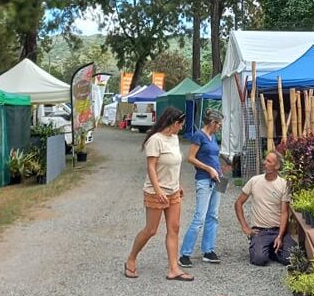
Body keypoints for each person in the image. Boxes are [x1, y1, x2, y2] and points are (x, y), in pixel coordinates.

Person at [125, 107, 194, 281]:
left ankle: (173, 268)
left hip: (173, 191)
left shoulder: (175, 139)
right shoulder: (155, 140)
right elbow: (151, 167)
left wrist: (178, 185)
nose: (181, 128)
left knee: (174, 228)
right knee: (151, 230)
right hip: (155, 191)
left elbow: (174, 165)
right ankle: (131, 258)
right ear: (173, 123)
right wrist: (158, 190)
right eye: (181, 124)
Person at [178, 109, 224, 268]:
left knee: (214, 215)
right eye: (219, 124)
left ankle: (208, 250)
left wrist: (218, 170)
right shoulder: (199, 136)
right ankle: (185, 253)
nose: (220, 127)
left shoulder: (212, 137)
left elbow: (213, 156)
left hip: (217, 179)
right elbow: (190, 158)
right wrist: (208, 169)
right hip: (205, 180)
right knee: (200, 217)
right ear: (213, 123)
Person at [234, 151, 295, 266]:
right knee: (259, 259)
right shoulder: (254, 181)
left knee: (291, 258)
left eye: (268, 161)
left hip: (278, 230)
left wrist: (280, 236)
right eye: (265, 160)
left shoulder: (284, 184)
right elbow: (238, 203)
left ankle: (271, 249)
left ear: (277, 166)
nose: (264, 163)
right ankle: (265, 248)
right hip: (260, 231)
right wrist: (245, 227)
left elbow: (284, 213)